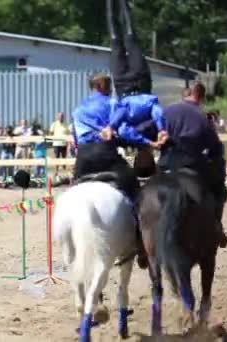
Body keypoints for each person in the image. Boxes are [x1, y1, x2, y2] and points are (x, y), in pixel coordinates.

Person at [71, 72, 152, 268]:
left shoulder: (78, 109)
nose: (111, 89)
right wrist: (141, 142)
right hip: (106, 155)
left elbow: (74, 139)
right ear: (103, 87)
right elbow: (122, 130)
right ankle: (141, 244)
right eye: (109, 86)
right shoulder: (112, 104)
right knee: (135, 190)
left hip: (83, 158)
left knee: (73, 192)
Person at [157, 82, 227, 249]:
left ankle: (140, 241)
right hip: (192, 164)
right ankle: (216, 228)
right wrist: (213, 158)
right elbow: (215, 147)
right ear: (200, 97)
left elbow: (153, 132)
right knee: (219, 190)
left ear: (184, 96)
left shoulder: (166, 111)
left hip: (165, 163)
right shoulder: (201, 116)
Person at [104, 0, 165, 178]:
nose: (142, 159)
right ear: (152, 161)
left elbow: (121, 124)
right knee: (131, 37)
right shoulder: (156, 137)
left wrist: (146, 141)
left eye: (139, 162)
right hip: (141, 82)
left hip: (123, 85)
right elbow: (157, 111)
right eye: (146, 162)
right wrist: (160, 131)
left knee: (115, 40)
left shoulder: (128, 141)